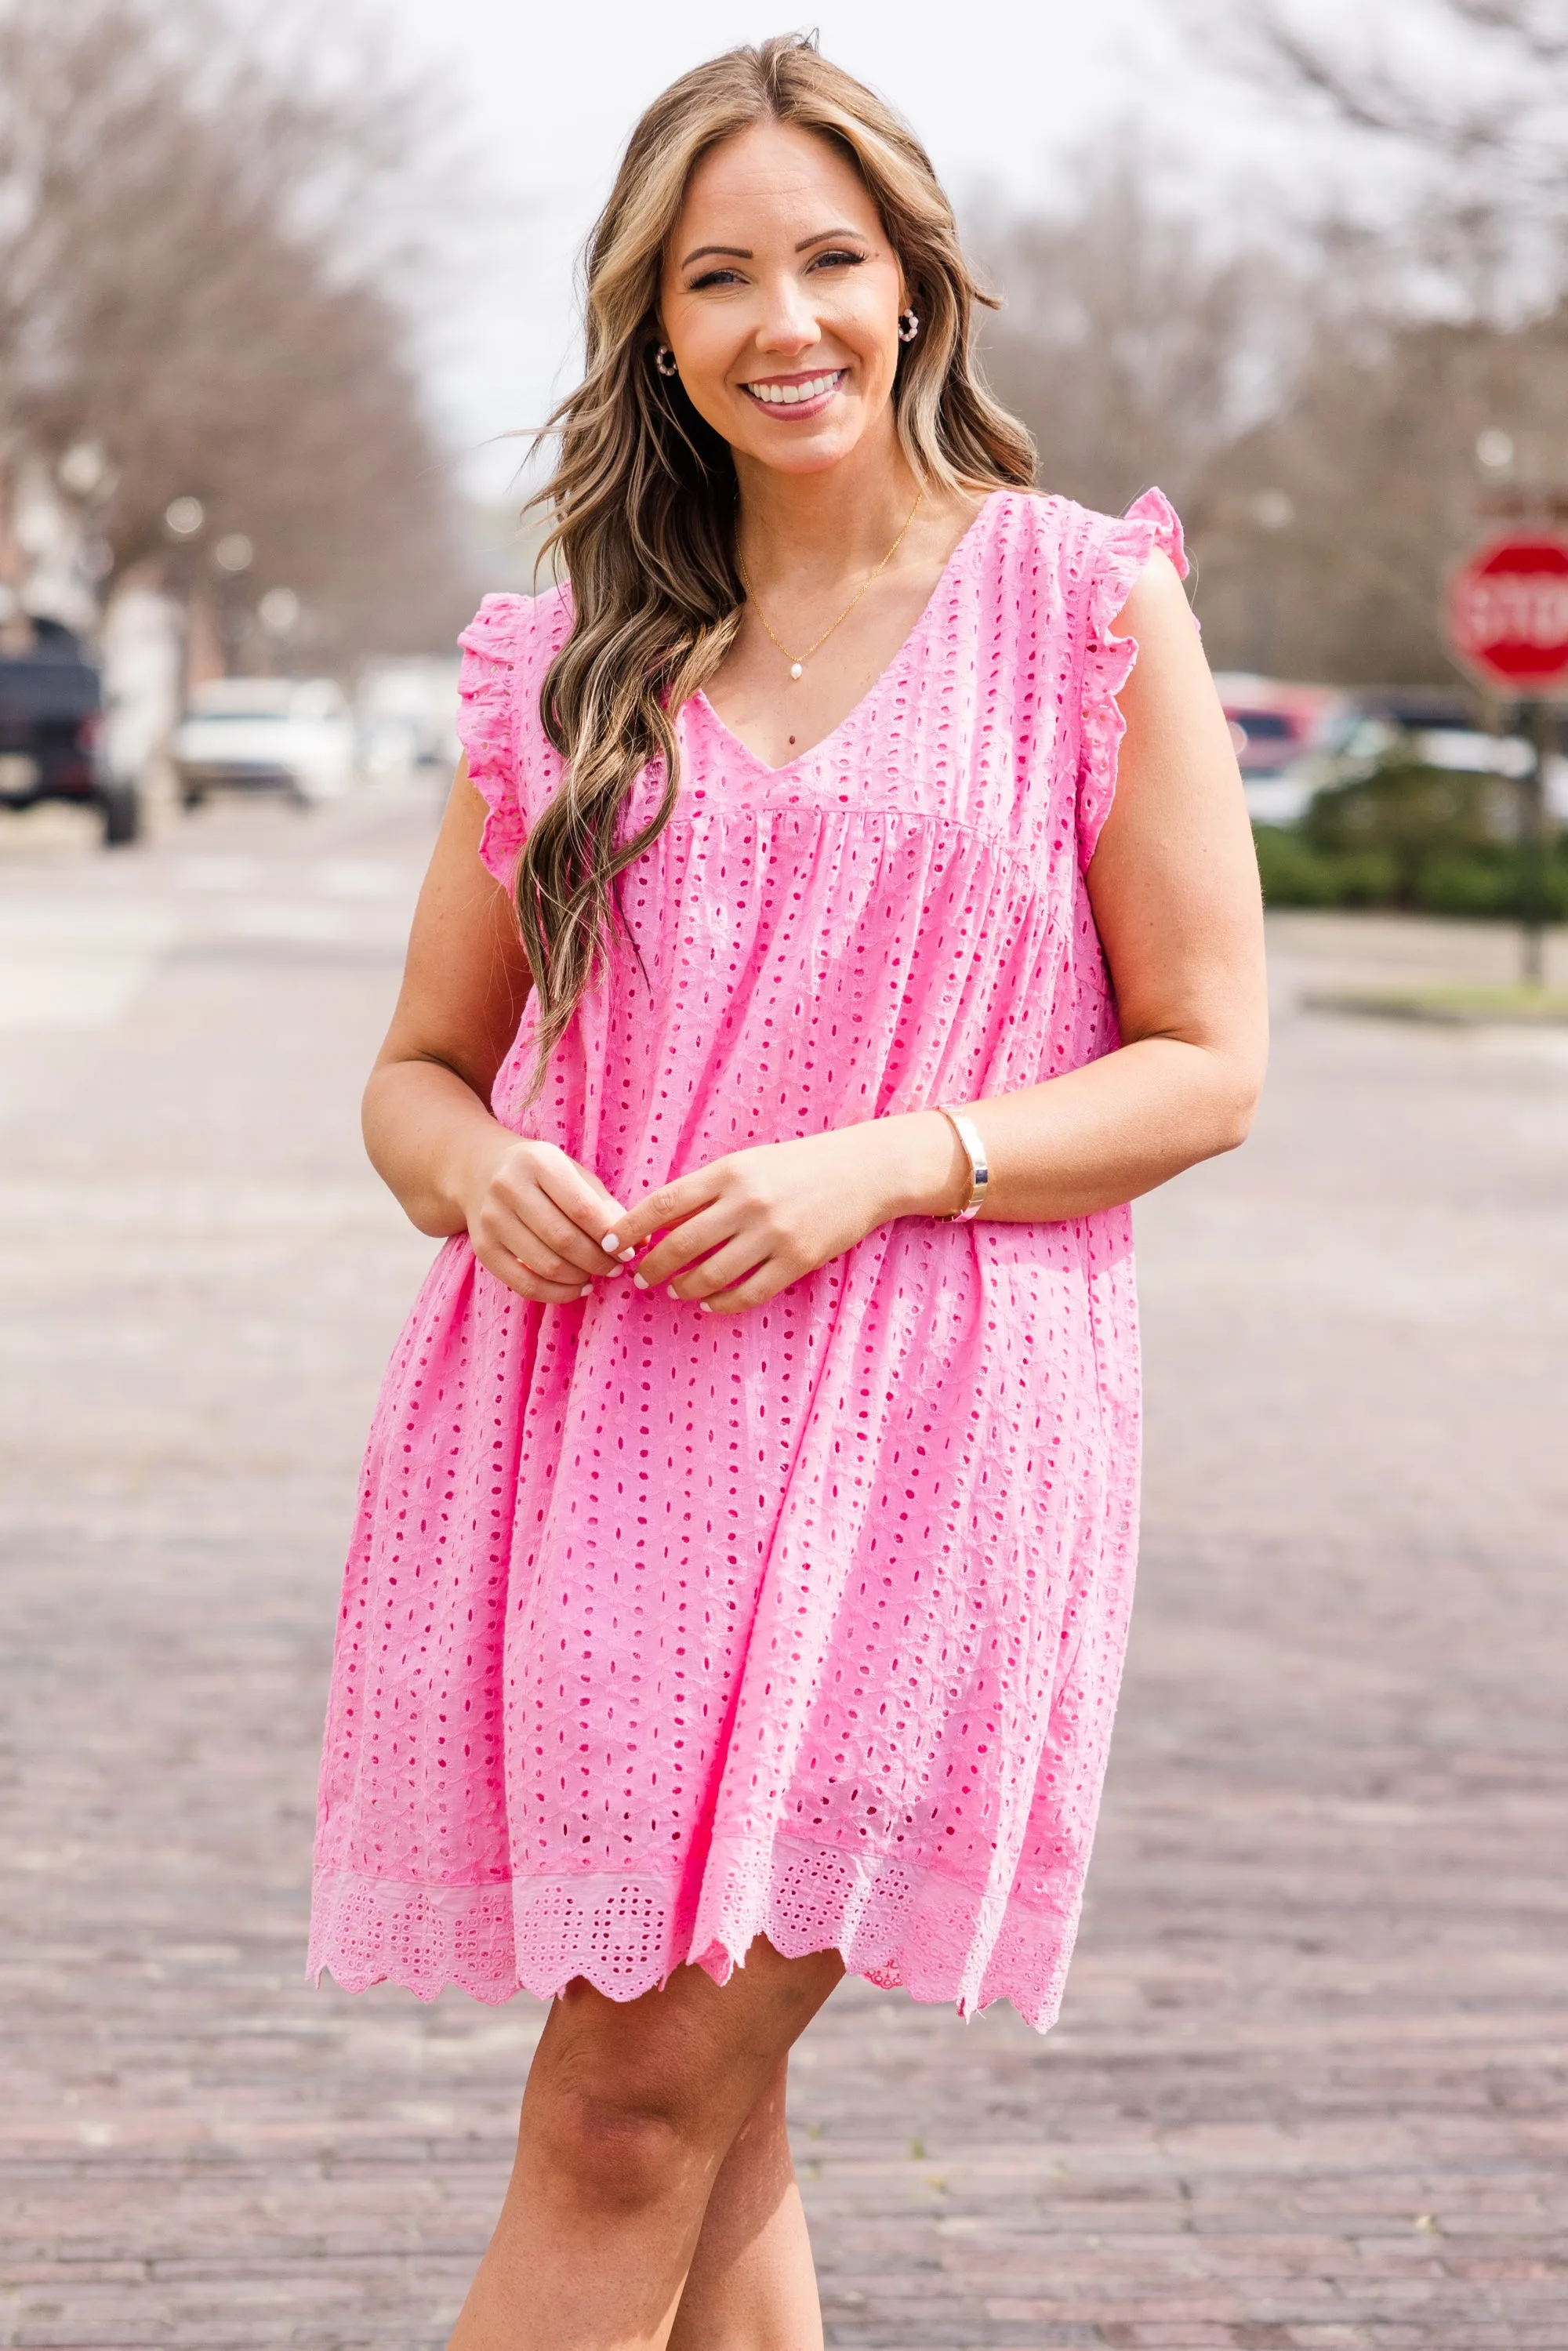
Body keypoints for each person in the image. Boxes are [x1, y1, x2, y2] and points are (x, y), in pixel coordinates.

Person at [308, 34, 1268, 2349]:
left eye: (829, 259)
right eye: (716, 275)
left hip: (934, 1441)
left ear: (918, 285)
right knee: (702, 2120)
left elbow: (1213, 1061)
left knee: (629, 2106)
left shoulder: (1076, 611)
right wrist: (485, 1174)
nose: (784, 320)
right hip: (598, 1449)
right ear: (655, 324)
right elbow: (418, 1077)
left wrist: (895, 1159)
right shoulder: (562, 667)